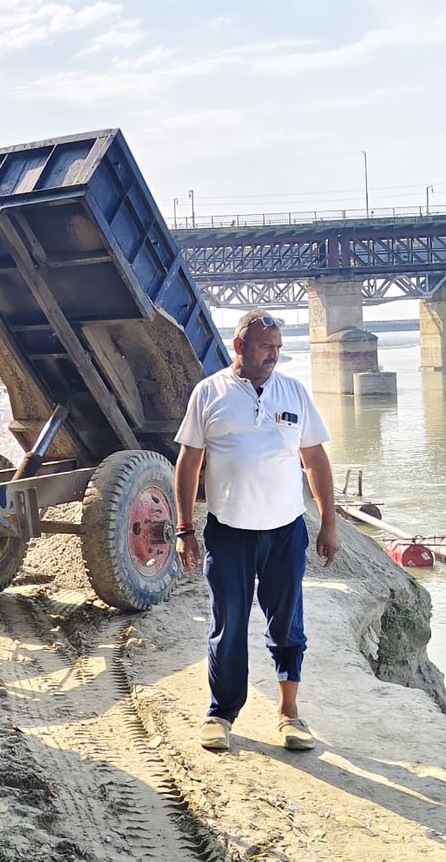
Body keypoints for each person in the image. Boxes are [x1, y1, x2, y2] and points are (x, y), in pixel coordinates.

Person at [173, 308, 339, 754]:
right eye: (267, 347)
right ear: (240, 346)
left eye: (279, 348)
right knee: (227, 626)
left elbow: (315, 460)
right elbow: (189, 463)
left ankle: (289, 713)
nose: (274, 355)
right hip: (229, 534)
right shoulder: (209, 393)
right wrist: (184, 528)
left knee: (287, 624)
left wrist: (329, 522)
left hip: (285, 531)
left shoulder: (295, 392)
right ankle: (221, 714)